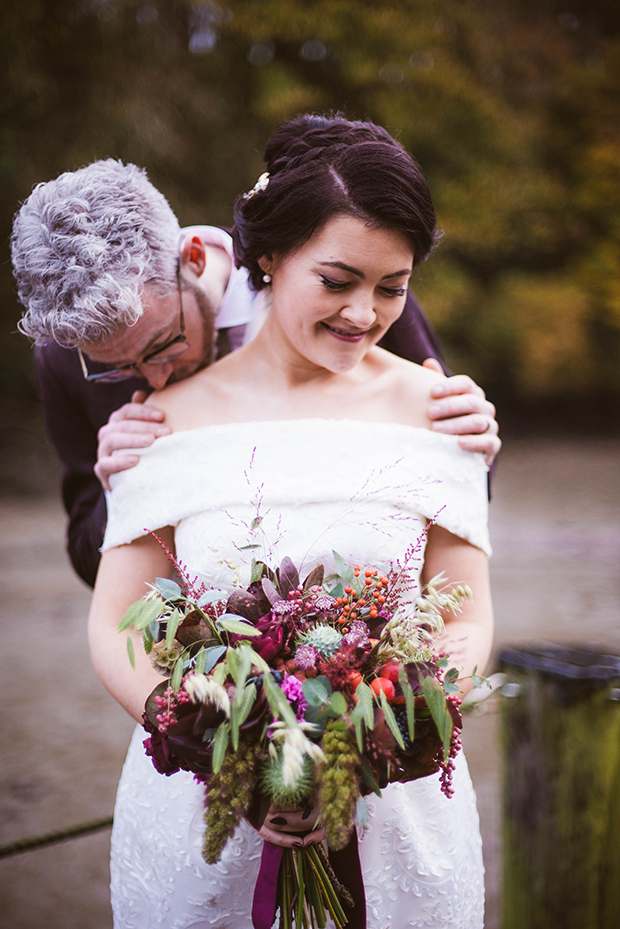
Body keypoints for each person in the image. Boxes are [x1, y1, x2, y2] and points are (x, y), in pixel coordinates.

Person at [88, 114, 493, 928]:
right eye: (338, 280)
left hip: (394, 813)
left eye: (392, 286)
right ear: (268, 258)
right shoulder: (159, 425)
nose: (364, 312)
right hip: (203, 808)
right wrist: (217, 744)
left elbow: (469, 606)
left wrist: (388, 735)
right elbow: (115, 623)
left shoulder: (441, 413)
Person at [10, 156, 500, 587]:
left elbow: (449, 470)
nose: (154, 382)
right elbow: (86, 558)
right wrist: (117, 490)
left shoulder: (344, 288)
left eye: (164, 344)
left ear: (194, 259)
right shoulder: (62, 360)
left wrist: (474, 430)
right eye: (118, 370)